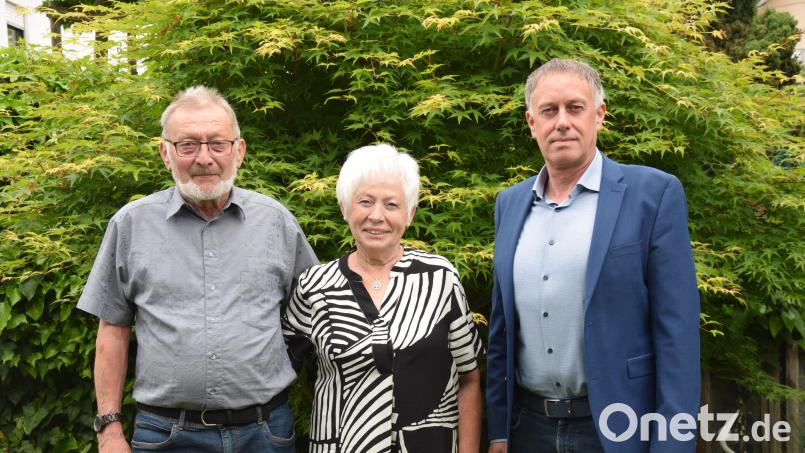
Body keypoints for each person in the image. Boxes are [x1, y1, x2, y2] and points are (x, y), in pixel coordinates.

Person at [77, 86, 318, 453]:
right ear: (165, 154)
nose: (204, 158)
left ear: (239, 151)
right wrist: (109, 431)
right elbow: (112, 331)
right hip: (166, 435)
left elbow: (314, 311)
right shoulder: (131, 226)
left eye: (217, 144)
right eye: (188, 145)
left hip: (265, 433)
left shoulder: (276, 223)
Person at [485, 59, 700, 452]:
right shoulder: (509, 204)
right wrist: (499, 431)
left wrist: (673, 443)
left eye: (575, 108)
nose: (562, 122)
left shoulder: (653, 195)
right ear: (532, 123)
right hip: (527, 430)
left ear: (599, 115)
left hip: (619, 431)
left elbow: (677, 335)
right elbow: (501, 329)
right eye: (548, 110)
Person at [282, 144, 484, 453]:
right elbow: (276, 373)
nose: (377, 216)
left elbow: (469, 378)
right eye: (365, 201)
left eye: (391, 204)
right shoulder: (315, 286)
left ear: (410, 213)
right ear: (344, 207)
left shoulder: (440, 278)